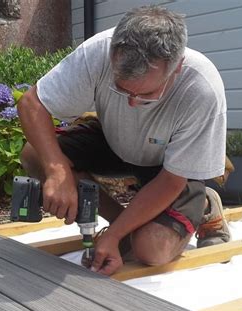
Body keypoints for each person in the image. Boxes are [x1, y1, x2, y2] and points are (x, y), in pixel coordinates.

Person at [17, 5, 230, 276]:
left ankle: (204, 205)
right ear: (113, 55)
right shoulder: (98, 51)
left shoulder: (201, 88)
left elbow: (171, 181)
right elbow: (31, 104)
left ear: (176, 70)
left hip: (167, 166)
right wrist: (57, 170)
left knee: (151, 249)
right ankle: (124, 226)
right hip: (112, 140)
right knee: (34, 155)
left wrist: (114, 236)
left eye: (146, 94)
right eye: (120, 88)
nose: (131, 103)